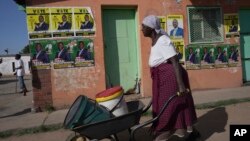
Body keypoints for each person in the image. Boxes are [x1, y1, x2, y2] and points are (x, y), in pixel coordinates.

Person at [141, 15, 198, 141]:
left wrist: (181, 85)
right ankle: (190, 131)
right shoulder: (156, 40)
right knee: (173, 104)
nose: (142, 29)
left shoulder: (162, 40)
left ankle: (166, 132)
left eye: (144, 26)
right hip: (162, 77)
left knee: (168, 107)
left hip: (171, 78)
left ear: (151, 28)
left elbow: (175, 61)